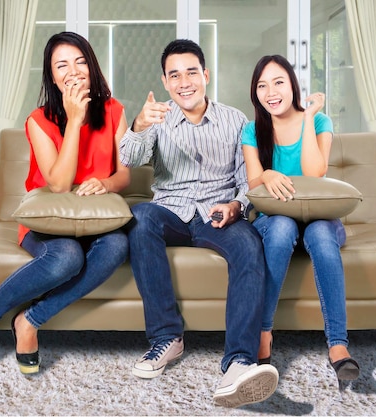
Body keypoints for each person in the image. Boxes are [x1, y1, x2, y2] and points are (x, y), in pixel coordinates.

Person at [119, 39, 279, 408]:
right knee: (140, 217)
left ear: (205, 75)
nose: (184, 82)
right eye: (174, 75)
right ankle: (167, 339)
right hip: (171, 212)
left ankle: (238, 361)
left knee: (250, 244)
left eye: (191, 72)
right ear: (165, 81)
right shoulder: (158, 120)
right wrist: (140, 124)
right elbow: (129, 158)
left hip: (217, 214)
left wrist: (237, 206)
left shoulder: (235, 120)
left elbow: (246, 179)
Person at [0, 31, 130, 374]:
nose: (74, 71)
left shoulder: (115, 110)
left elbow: (125, 174)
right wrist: (74, 120)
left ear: (92, 66)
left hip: (95, 220)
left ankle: (30, 319)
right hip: (46, 223)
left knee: (117, 245)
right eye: (62, 65)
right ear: (52, 76)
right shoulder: (38, 121)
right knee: (66, 256)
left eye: (81, 61)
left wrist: (106, 182)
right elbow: (58, 183)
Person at [242, 54, 360, 381]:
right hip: (274, 218)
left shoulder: (320, 123)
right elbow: (253, 185)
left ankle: (338, 345)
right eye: (262, 86)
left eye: (279, 82)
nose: (271, 92)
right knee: (281, 227)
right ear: (255, 94)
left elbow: (315, 171)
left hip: (318, 217)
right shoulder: (252, 131)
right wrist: (267, 174)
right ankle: (264, 333)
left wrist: (308, 117)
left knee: (322, 235)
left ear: (293, 85)